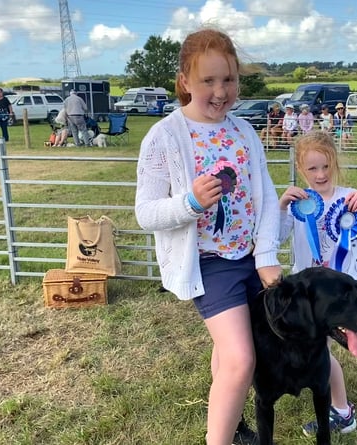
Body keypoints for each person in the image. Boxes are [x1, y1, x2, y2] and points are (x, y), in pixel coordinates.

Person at [134, 27, 282, 445]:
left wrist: (266, 253)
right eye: (208, 81)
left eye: (229, 79)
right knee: (241, 360)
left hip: (251, 257)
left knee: (229, 349)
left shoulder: (244, 132)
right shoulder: (164, 137)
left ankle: (231, 425)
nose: (221, 91)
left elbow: (266, 198)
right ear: (184, 81)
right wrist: (190, 203)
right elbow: (146, 213)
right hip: (209, 262)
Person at [278, 130, 357, 437]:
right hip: (309, 293)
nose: (321, 174)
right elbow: (276, 237)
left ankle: (342, 412)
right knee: (316, 348)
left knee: (319, 350)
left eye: (326, 166)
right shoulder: (300, 202)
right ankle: (330, 399)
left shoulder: (349, 198)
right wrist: (282, 206)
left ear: (334, 163)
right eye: (312, 168)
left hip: (342, 292)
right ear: (301, 169)